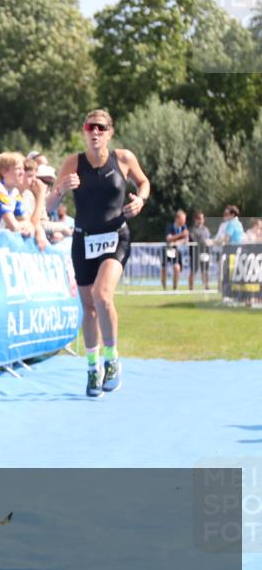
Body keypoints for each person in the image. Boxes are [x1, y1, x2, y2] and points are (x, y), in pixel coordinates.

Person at [55, 109, 150, 397]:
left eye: (101, 127)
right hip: (83, 240)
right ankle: (92, 367)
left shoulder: (123, 158)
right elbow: (49, 202)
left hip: (115, 237)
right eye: (90, 127)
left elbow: (144, 182)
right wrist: (60, 189)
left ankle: (112, 360)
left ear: (110, 133)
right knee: (90, 308)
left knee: (102, 294)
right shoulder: (73, 163)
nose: (95, 132)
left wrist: (140, 200)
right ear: (84, 132)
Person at [162, 209, 188, 290]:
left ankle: (175, 288)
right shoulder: (170, 226)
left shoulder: (184, 227)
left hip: (177, 251)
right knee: (164, 269)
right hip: (168, 250)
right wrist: (181, 235)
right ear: (177, 219)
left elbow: (186, 239)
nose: (184, 221)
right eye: (182, 219)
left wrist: (177, 242)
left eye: (184, 219)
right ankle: (164, 288)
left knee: (177, 268)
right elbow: (168, 238)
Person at [188, 211, 212, 290]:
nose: (201, 220)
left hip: (205, 252)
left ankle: (207, 286)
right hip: (195, 253)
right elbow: (194, 239)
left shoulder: (206, 229)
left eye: (202, 218)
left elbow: (208, 239)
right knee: (193, 271)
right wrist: (203, 242)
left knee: (205, 270)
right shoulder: (192, 229)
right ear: (195, 219)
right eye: (199, 218)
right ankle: (191, 288)